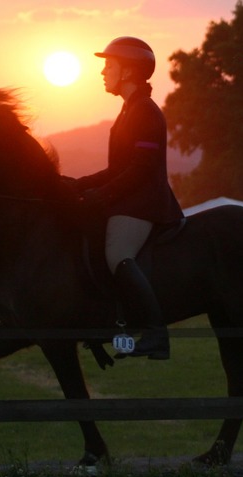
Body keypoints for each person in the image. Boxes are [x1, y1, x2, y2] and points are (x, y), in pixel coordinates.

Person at [73, 36, 184, 360]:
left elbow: (140, 169)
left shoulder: (145, 113)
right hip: (128, 198)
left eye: (110, 65)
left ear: (129, 71)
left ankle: (155, 334)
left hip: (144, 202)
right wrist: (77, 185)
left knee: (117, 253)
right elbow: (116, 169)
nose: (103, 72)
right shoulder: (129, 110)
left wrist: (101, 195)